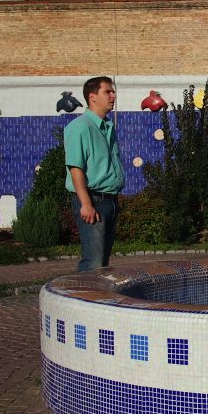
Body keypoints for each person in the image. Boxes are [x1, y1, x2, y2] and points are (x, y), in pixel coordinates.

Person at [64, 76, 124, 271]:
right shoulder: (80, 127)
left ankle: (97, 291)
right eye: (108, 92)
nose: (113, 96)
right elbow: (76, 168)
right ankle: (82, 291)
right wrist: (86, 204)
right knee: (93, 263)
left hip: (110, 200)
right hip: (93, 200)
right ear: (92, 97)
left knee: (102, 263)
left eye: (113, 91)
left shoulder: (107, 126)